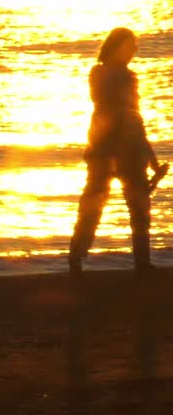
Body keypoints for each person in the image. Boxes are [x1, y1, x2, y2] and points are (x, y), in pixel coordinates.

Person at [68, 27, 162, 277]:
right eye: (131, 45)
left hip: (126, 150)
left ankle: (141, 264)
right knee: (94, 207)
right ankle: (76, 257)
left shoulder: (122, 76)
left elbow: (135, 118)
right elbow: (118, 111)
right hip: (106, 151)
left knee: (137, 209)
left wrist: (151, 158)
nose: (135, 50)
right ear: (118, 46)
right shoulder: (103, 74)